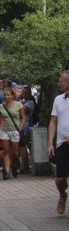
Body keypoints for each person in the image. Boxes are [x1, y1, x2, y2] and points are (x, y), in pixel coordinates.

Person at [47, 71, 69, 214]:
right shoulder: (58, 99)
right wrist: (50, 143)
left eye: (61, 80)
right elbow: (53, 121)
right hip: (62, 143)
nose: (59, 83)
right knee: (60, 178)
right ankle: (62, 195)